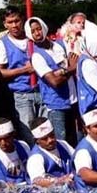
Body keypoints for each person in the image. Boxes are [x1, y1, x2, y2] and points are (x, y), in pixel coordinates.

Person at [28, 16, 78, 145]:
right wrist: (71, 69)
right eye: (33, 31)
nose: (37, 33)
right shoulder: (37, 56)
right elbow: (54, 81)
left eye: (39, 29)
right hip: (56, 105)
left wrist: (63, 72)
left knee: (78, 138)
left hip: (74, 100)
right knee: (62, 142)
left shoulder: (60, 45)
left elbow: (76, 59)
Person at [0, 7, 40, 144]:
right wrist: (24, 70)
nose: (14, 25)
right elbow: (0, 72)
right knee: (29, 134)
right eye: (10, 22)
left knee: (45, 130)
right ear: (5, 24)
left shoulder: (32, 38)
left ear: (23, 20)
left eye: (17, 21)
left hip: (43, 91)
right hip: (21, 94)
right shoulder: (2, 44)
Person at [26, 117, 76, 187]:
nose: (50, 140)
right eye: (44, 138)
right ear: (37, 140)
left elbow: (78, 158)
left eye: (52, 135)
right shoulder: (35, 158)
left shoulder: (63, 144)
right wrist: (59, 181)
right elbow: (37, 182)